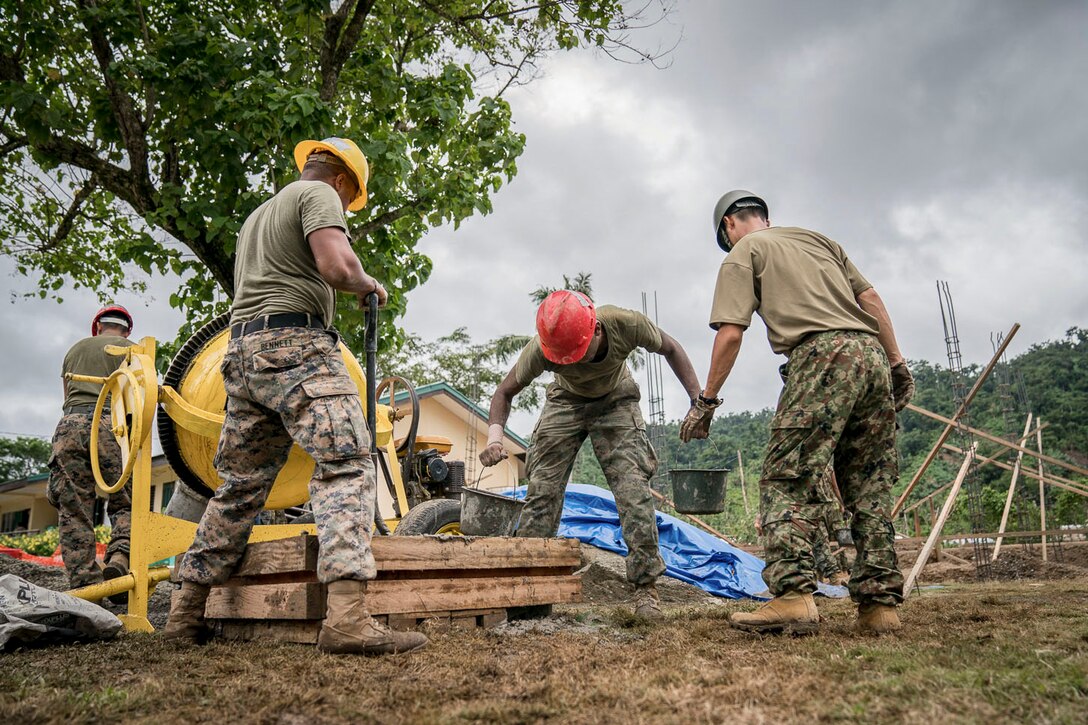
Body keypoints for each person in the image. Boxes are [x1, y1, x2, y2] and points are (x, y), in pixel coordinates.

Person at [164, 137, 427, 655]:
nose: (347, 207)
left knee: (239, 485)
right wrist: (368, 284)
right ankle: (348, 618)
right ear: (343, 179)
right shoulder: (320, 194)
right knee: (348, 463)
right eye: (352, 199)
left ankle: (184, 614)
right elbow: (336, 265)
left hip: (242, 355)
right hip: (297, 348)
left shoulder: (258, 215)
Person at [681, 190, 914, 635]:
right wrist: (897, 362)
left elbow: (731, 334)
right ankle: (880, 608)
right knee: (868, 483)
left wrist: (706, 401)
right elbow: (873, 302)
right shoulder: (819, 240)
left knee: (787, 478)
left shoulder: (743, 252)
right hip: (870, 355)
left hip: (820, 356)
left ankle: (793, 597)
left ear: (730, 226)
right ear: (764, 217)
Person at [480, 290, 703, 618]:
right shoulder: (542, 349)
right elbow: (504, 391)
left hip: (616, 400)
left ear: (596, 330)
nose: (571, 362)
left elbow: (671, 348)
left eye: (576, 354)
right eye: (563, 358)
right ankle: (529, 590)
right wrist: (494, 438)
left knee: (633, 493)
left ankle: (645, 589)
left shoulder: (625, 324)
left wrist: (698, 400)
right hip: (564, 402)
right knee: (541, 492)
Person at [48, 306, 135, 594]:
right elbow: (138, 401)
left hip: (69, 426)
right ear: (127, 330)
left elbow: (65, 398)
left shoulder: (75, 349)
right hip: (112, 424)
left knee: (74, 508)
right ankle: (121, 556)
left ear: (97, 326)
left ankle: (86, 589)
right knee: (125, 500)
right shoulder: (135, 351)